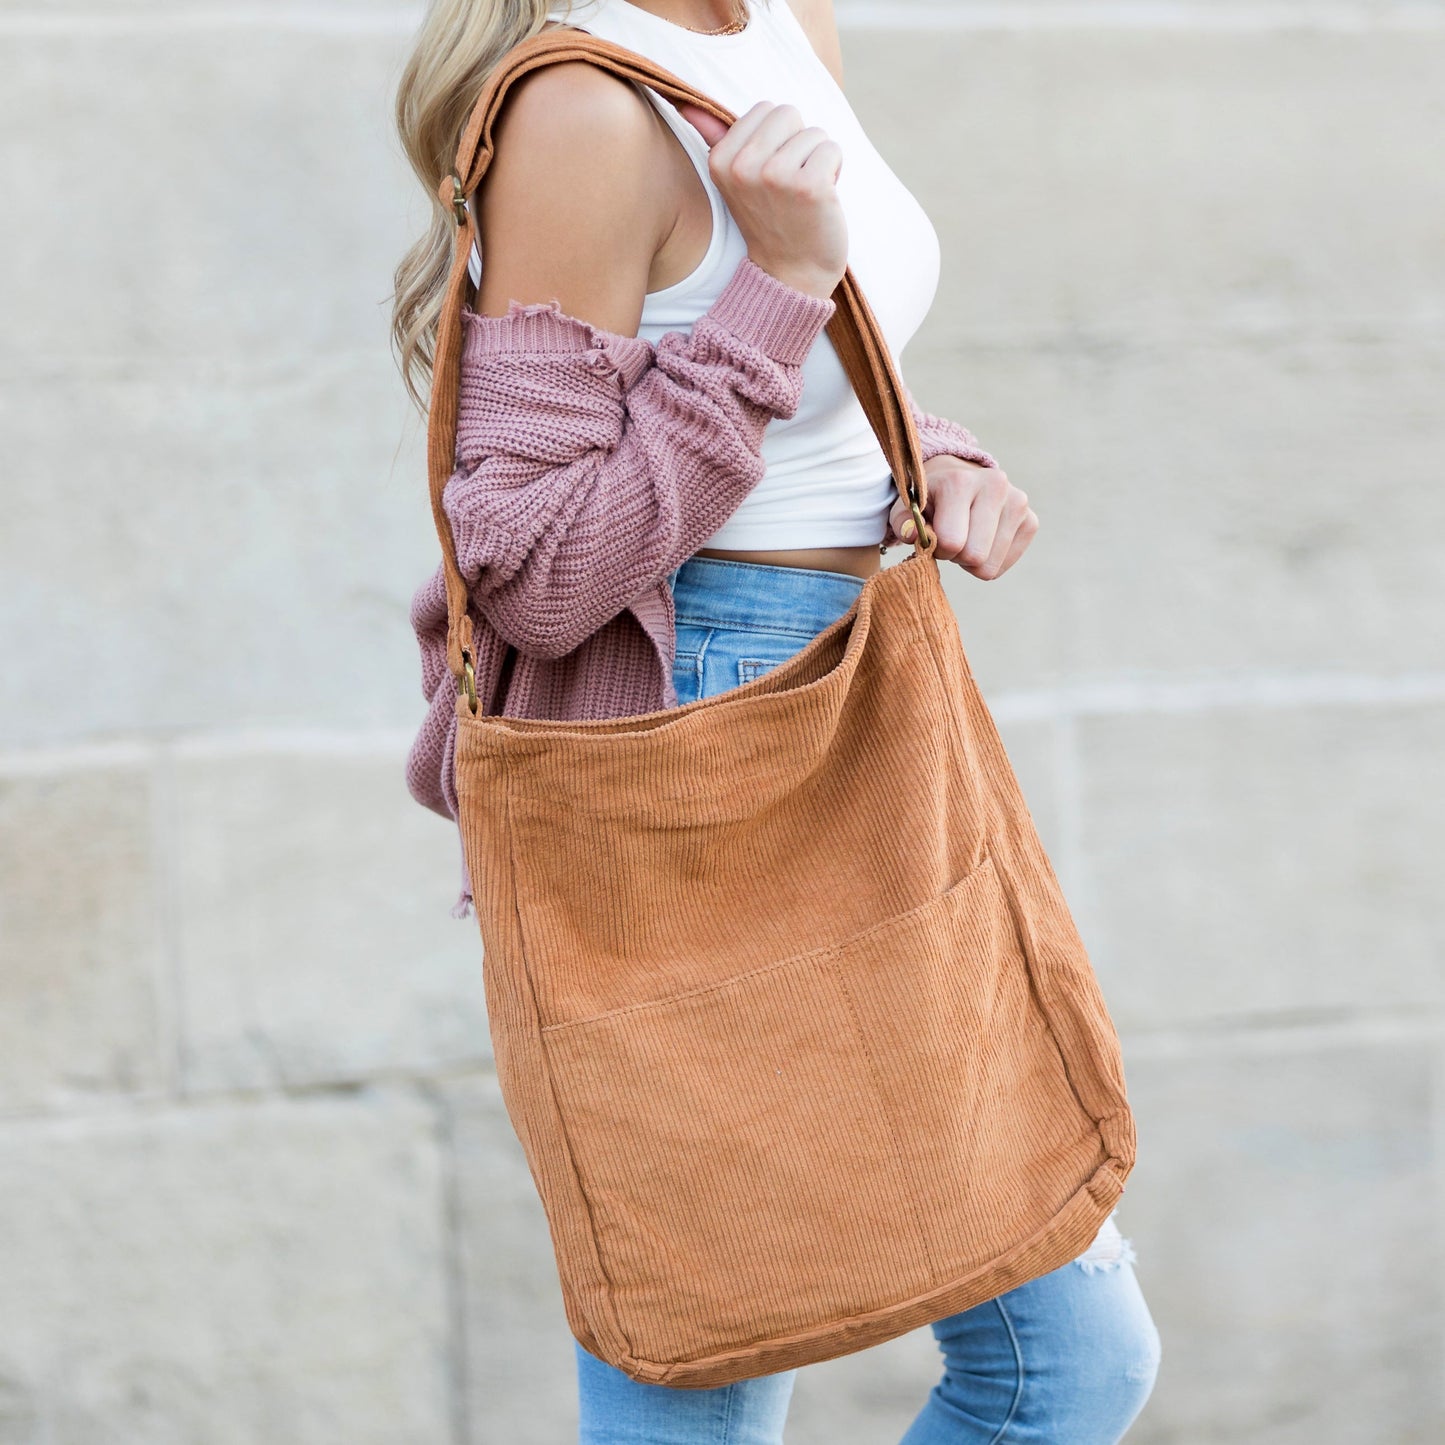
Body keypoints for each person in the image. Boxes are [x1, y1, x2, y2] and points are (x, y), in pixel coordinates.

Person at [391, 2, 1162, 1440]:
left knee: (862, 1354)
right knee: (819, 1353)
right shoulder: (579, 111)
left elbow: (810, 389)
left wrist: (936, 457)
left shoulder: (788, 26)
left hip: (857, 680)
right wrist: (781, 284)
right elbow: (536, 569)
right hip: (703, 729)